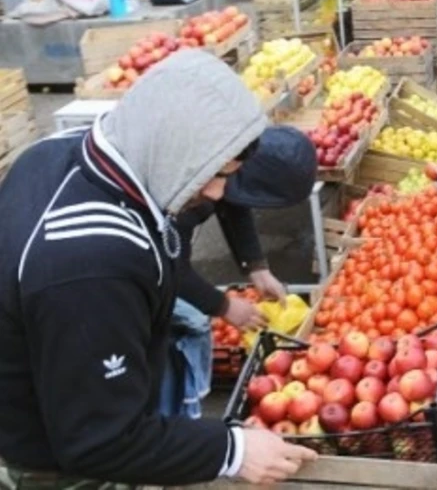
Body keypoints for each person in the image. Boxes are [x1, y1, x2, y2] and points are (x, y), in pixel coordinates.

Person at [0, 50, 317, 486]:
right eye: (218, 173)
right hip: (56, 466)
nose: (219, 192)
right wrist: (233, 450)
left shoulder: (61, 152)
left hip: (55, 397)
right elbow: (100, 440)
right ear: (176, 144)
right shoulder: (93, 264)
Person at [172, 125, 316, 326]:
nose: (217, 195)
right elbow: (168, 264)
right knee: (191, 325)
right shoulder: (186, 191)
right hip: (131, 267)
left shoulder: (229, 160)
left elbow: (235, 201)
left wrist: (256, 267)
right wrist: (223, 306)